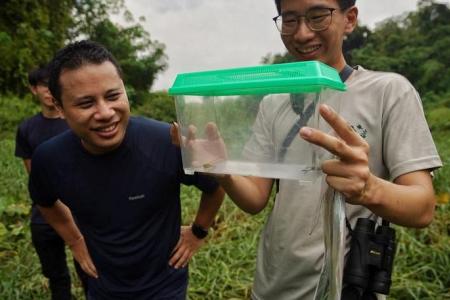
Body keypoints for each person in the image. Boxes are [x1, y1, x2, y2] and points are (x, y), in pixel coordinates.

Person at [193, 0, 442, 299]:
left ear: (349, 19)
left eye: (318, 17)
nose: (302, 33)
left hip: (345, 288)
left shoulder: (388, 92)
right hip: (272, 285)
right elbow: (256, 198)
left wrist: (369, 189)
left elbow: (423, 207)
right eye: (290, 20)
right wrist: (224, 171)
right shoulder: (274, 102)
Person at [28, 40, 224, 299]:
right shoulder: (49, 159)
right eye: (86, 104)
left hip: (165, 287)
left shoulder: (167, 141)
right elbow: (45, 201)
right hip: (102, 285)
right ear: (60, 108)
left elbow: (215, 186)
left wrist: (198, 231)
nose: (105, 112)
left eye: (113, 96)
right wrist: (75, 241)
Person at [15, 65, 88, 299]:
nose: (48, 90)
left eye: (51, 84)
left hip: (81, 209)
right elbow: (34, 176)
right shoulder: (27, 129)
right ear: (33, 89)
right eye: (42, 85)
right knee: (57, 277)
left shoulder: (76, 121)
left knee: (91, 272)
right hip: (46, 213)